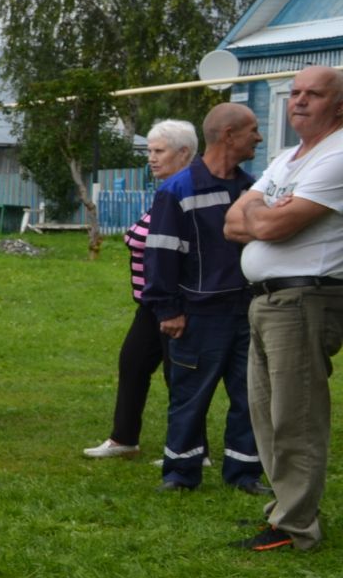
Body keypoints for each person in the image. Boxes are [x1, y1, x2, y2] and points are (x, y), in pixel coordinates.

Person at [224, 65, 343, 553]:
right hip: (267, 300)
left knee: (296, 415)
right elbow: (234, 221)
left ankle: (296, 527)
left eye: (312, 95)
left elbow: (274, 228)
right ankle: (284, 511)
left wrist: (261, 214)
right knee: (267, 414)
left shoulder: (337, 156)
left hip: (303, 298)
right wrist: (263, 213)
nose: (298, 101)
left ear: (338, 105)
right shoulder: (289, 157)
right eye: (294, 93)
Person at [143, 105, 263, 495]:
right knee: (189, 397)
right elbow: (160, 252)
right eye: (253, 131)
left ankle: (244, 474)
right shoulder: (177, 190)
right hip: (197, 315)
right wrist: (169, 309)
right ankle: (180, 473)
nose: (258, 138)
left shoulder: (251, 187)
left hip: (247, 311)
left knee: (249, 397)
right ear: (229, 135)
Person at [83, 121, 197, 458]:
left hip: (175, 302)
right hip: (150, 303)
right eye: (149, 151)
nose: (151, 158)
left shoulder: (186, 189)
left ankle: (191, 447)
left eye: (159, 151)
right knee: (133, 363)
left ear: (184, 153)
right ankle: (124, 439)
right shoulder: (167, 189)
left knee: (179, 376)